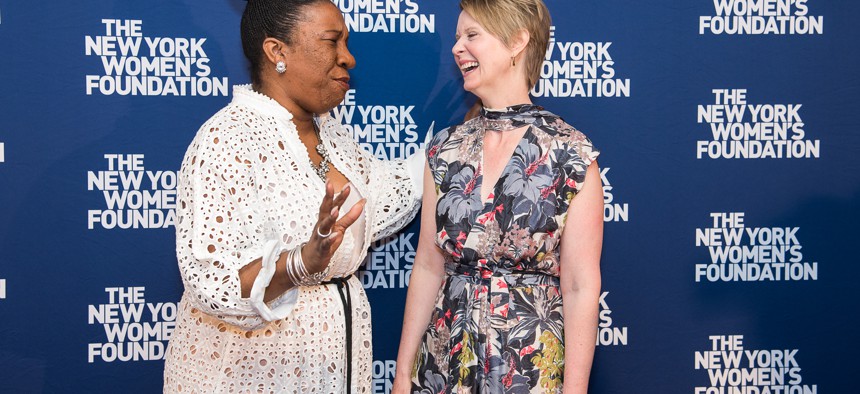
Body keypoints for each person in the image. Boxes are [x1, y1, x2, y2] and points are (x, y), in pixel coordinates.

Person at [163, 0, 423, 392]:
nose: (348, 59)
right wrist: (299, 263)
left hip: (334, 370)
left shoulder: (332, 136)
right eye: (332, 41)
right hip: (246, 378)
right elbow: (211, 283)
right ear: (277, 51)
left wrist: (456, 145)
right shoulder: (227, 139)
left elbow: (390, 192)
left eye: (347, 43)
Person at [393, 0, 603, 393]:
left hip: (527, 369)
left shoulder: (570, 156)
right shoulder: (445, 151)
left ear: (517, 42)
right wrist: (404, 373)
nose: (457, 48)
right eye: (457, 37)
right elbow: (426, 266)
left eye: (472, 35)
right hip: (442, 363)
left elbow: (579, 287)